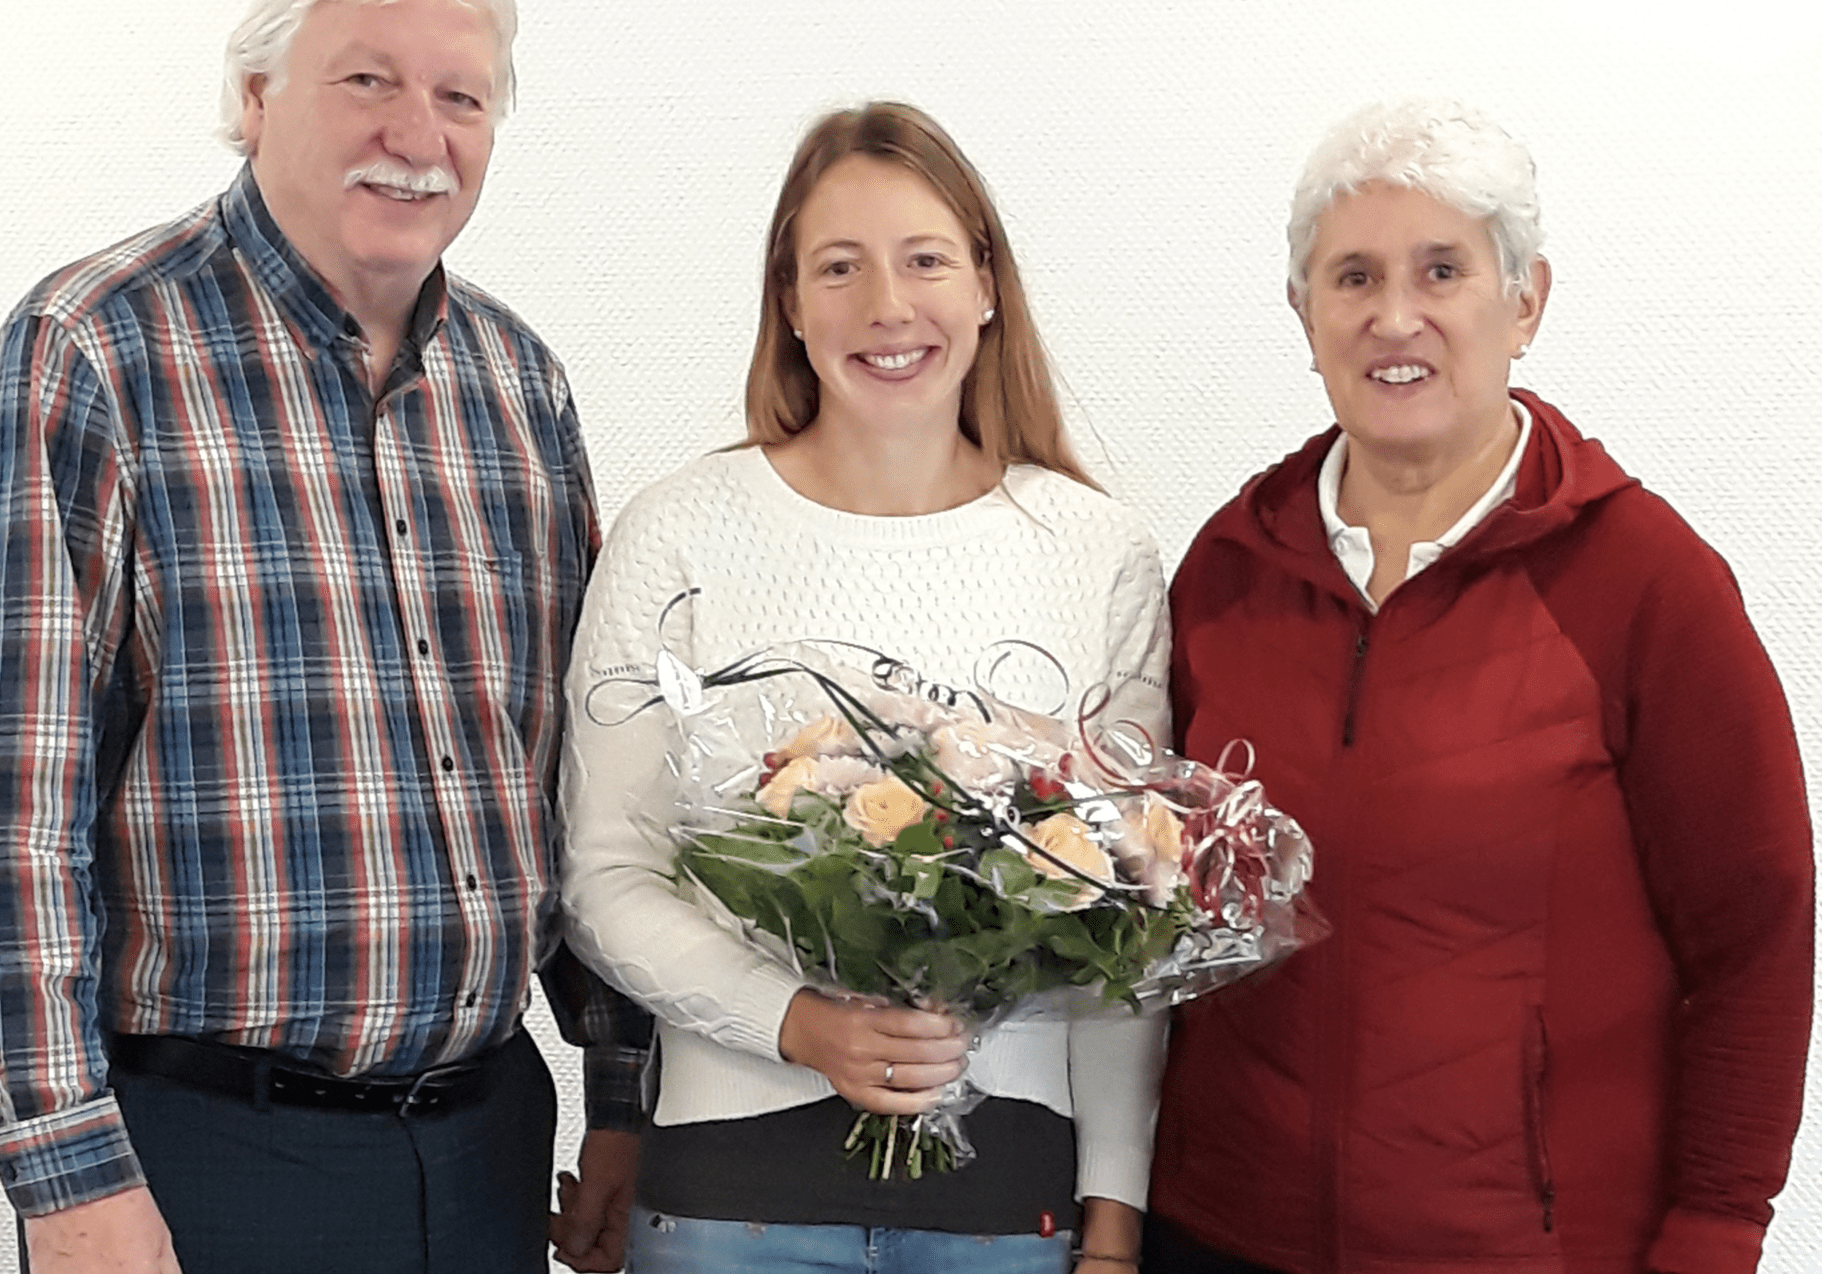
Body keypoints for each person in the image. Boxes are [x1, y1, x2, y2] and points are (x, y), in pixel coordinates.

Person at [0, 1, 652, 1271]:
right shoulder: (92, 351)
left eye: (461, 98)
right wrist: (68, 1177)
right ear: (254, 98)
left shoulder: (519, 383)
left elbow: (589, 783)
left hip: (490, 1147)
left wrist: (630, 1101)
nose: (415, 134)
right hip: (203, 1160)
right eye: (366, 78)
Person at [1145, 100, 1813, 1274]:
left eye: (1441, 270)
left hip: (1527, 1247)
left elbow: (1756, 933)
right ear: (1304, 315)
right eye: (1352, 276)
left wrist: (1717, 1228)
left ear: (1526, 302)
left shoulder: (1645, 580)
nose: (1394, 316)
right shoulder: (1229, 568)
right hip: (1223, 1231)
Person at [558, 102, 1171, 1273]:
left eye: (926, 258)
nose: (887, 306)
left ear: (988, 284)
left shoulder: (1099, 553)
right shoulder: (680, 533)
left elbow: (1128, 925)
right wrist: (799, 1024)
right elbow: (604, 872)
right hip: (730, 1205)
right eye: (839, 267)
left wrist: (1116, 1211)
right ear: (790, 302)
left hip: (1015, 1214)